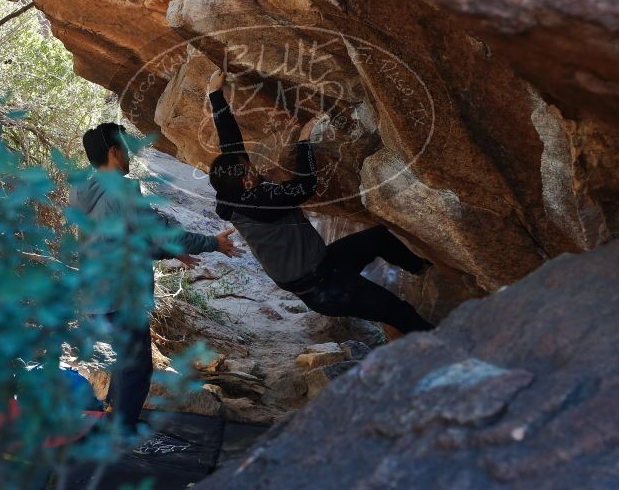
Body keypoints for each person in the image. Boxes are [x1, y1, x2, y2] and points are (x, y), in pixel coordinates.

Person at [206, 70, 433, 334]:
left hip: (324, 266)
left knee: (378, 239)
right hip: (325, 288)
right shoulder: (261, 203)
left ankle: (423, 269)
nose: (254, 168)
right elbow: (305, 185)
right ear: (246, 181)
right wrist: (304, 141)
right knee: (397, 311)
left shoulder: (231, 193)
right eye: (250, 169)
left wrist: (215, 95)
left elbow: (231, 147)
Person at [69, 122, 243, 433]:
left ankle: (114, 420)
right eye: (125, 148)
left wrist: (170, 252)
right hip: (123, 293)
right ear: (113, 151)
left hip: (96, 294)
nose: (130, 155)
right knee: (136, 367)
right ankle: (120, 432)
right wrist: (213, 243)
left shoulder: (83, 192)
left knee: (126, 361)